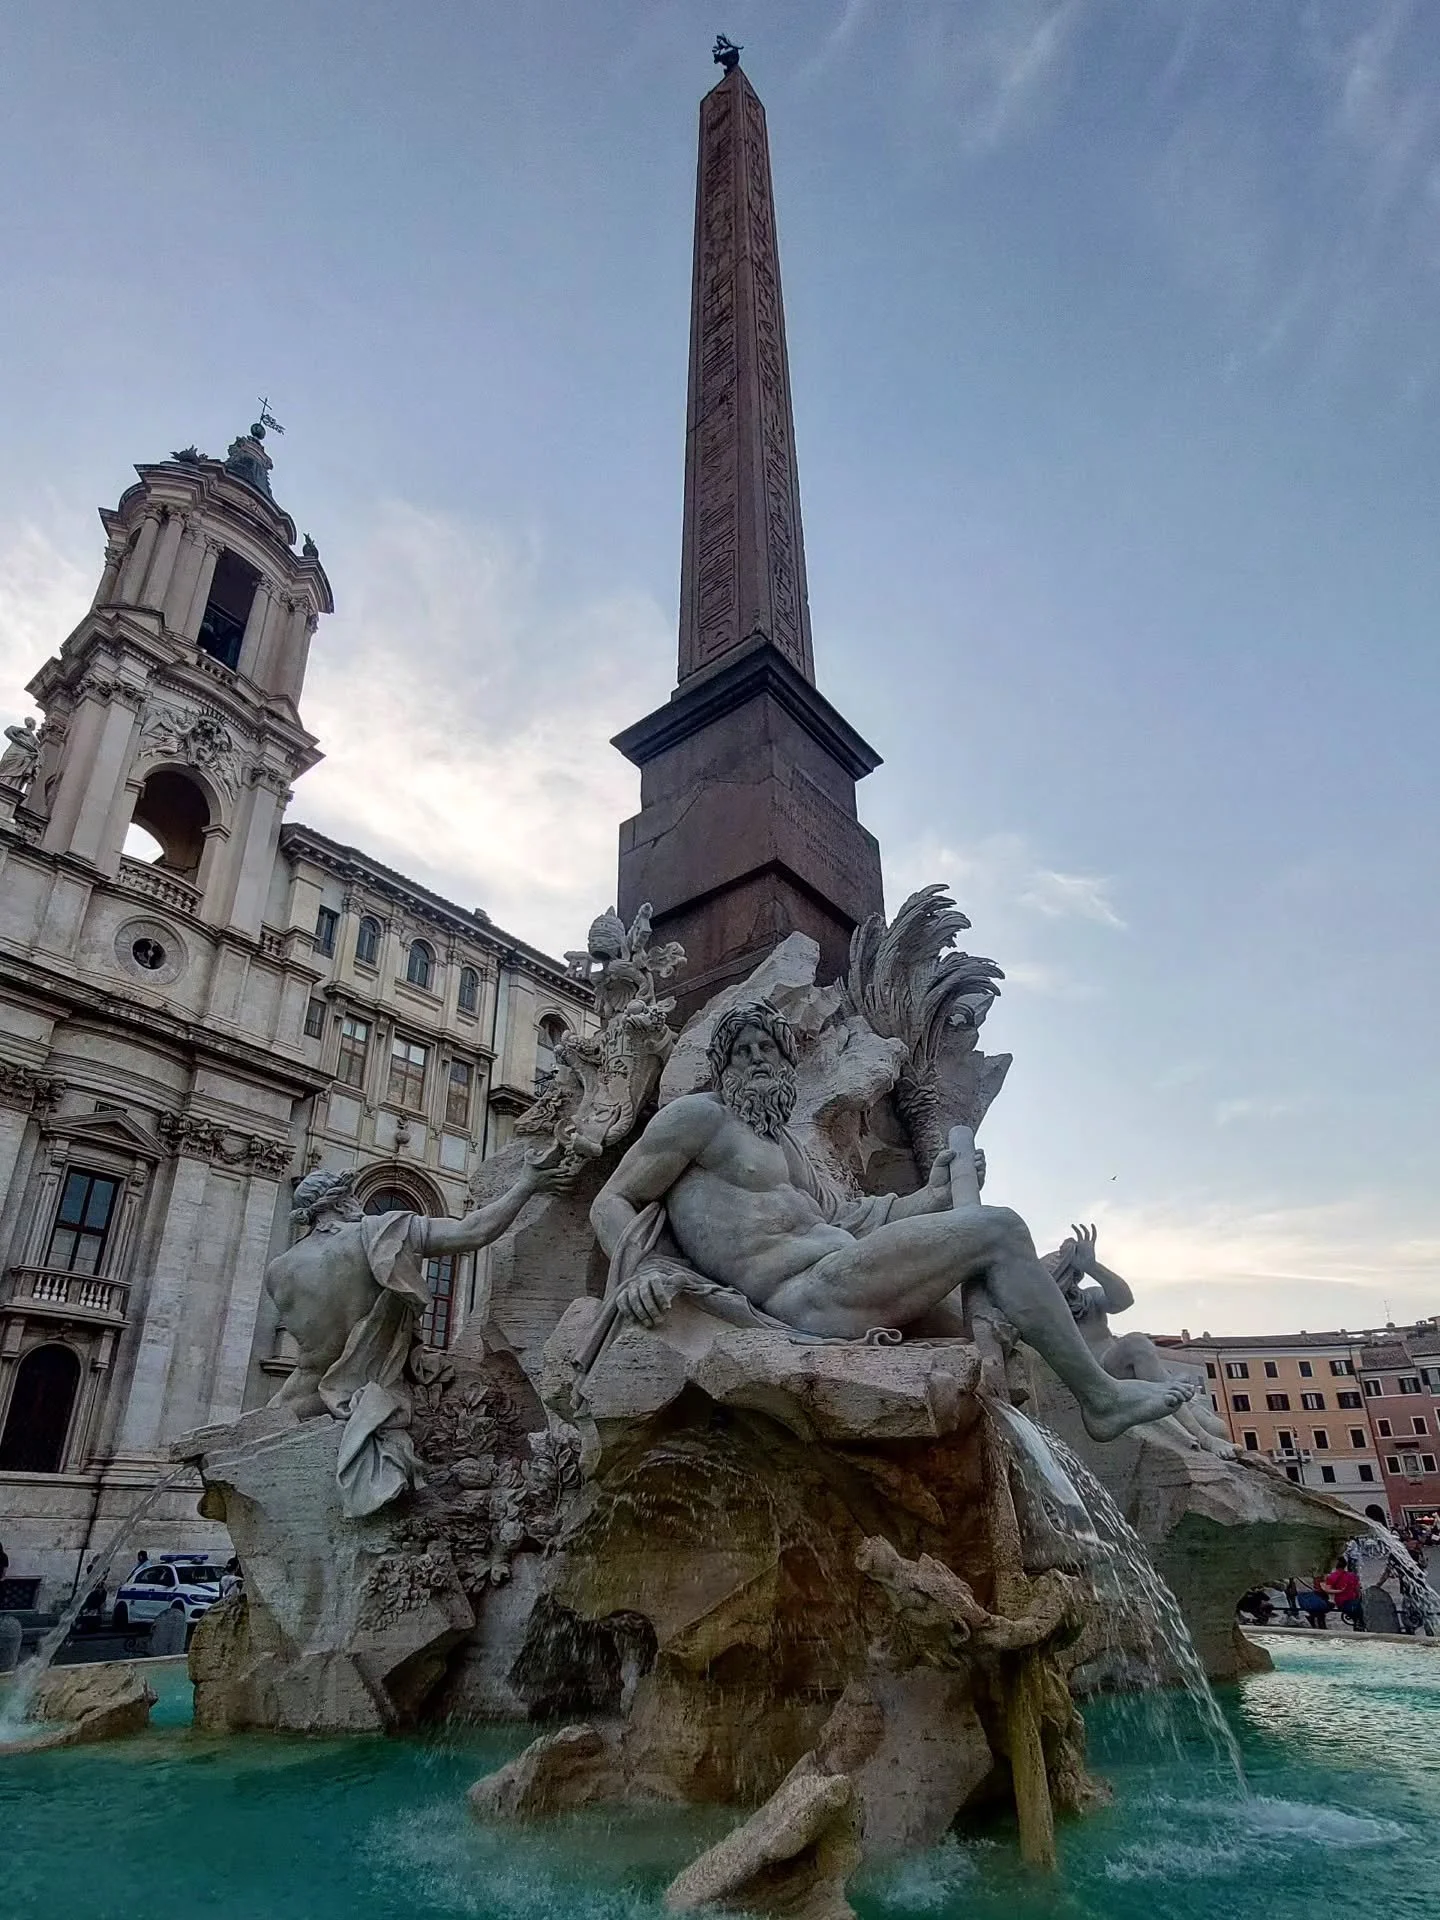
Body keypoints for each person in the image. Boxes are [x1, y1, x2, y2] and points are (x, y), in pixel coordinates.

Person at [590, 1002, 1195, 1443]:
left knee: (998, 1332)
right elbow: (611, 1199)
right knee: (1001, 1229)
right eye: (742, 1050)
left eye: (767, 1048)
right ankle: (1102, 1399)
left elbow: (853, 1219)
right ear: (722, 1065)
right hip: (805, 1296)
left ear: (785, 1062)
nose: (755, 1059)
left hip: (842, 1273)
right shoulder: (697, 1119)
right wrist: (638, 1269)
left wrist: (934, 1194)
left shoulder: (787, 1148)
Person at [1042, 1225, 1236, 1456]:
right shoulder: (1045, 1313)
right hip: (1103, 1374)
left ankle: (1181, 1406)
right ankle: (1203, 1439)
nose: (1069, 1282)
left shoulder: (1089, 1298)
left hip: (1132, 1369)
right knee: (1136, 1342)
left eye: (1072, 1276)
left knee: (1221, 1428)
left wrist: (1093, 1267)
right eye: (1064, 1276)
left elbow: (1123, 1300)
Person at [1321, 1559, 1364, 1630]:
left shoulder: (1332, 1577)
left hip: (1342, 1603)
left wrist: (1338, 1591)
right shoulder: (1352, 1575)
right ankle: (1359, 1624)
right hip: (1354, 1602)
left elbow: (1328, 1590)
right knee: (1357, 1614)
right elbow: (1358, 1590)